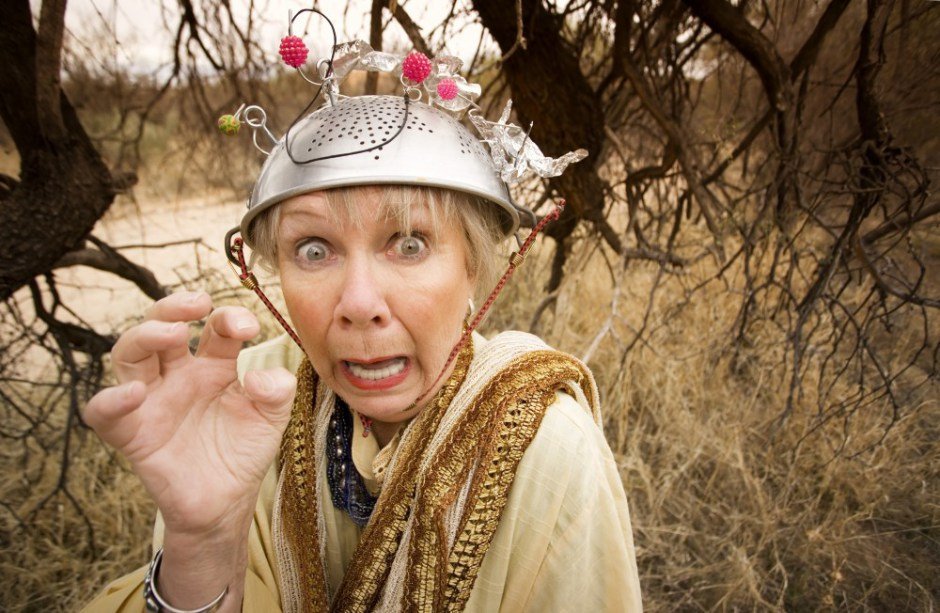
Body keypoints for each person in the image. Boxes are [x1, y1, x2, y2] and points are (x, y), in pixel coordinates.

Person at [82, 16, 641, 613]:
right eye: (313, 250)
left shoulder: (544, 448)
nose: (359, 305)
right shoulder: (241, 405)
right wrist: (203, 542)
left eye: (409, 244)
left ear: (473, 267)